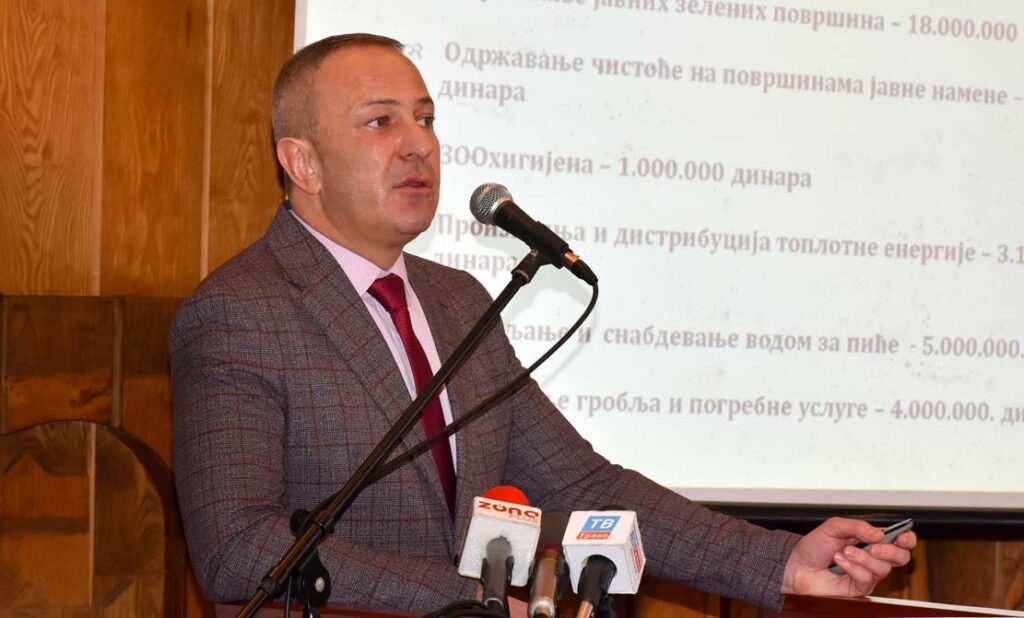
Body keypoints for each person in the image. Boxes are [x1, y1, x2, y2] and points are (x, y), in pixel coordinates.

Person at [170, 33, 915, 615]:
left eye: (425, 119)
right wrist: (467, 603)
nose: (419, 143)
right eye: (380, 121)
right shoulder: (241, 312)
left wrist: (780, 562)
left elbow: (580, 484)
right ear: (302, 162)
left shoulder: (456, 300)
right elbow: (239, 549)